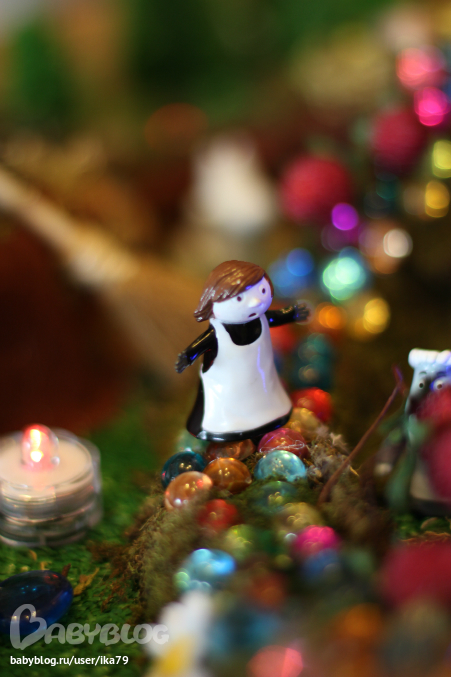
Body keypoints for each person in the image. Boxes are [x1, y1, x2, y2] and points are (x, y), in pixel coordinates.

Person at [175, 260, 310, 442]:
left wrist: (292, 313)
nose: (255, 302)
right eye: (239, 299)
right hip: (228, 391)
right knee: (233, 405)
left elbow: (277, 316)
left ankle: (269, 416)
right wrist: (188, 356)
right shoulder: (218, 333)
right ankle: (230, 426)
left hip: (262, 382)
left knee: (264, 397)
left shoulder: (262, 319)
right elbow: (200, 345)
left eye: (262, 291)